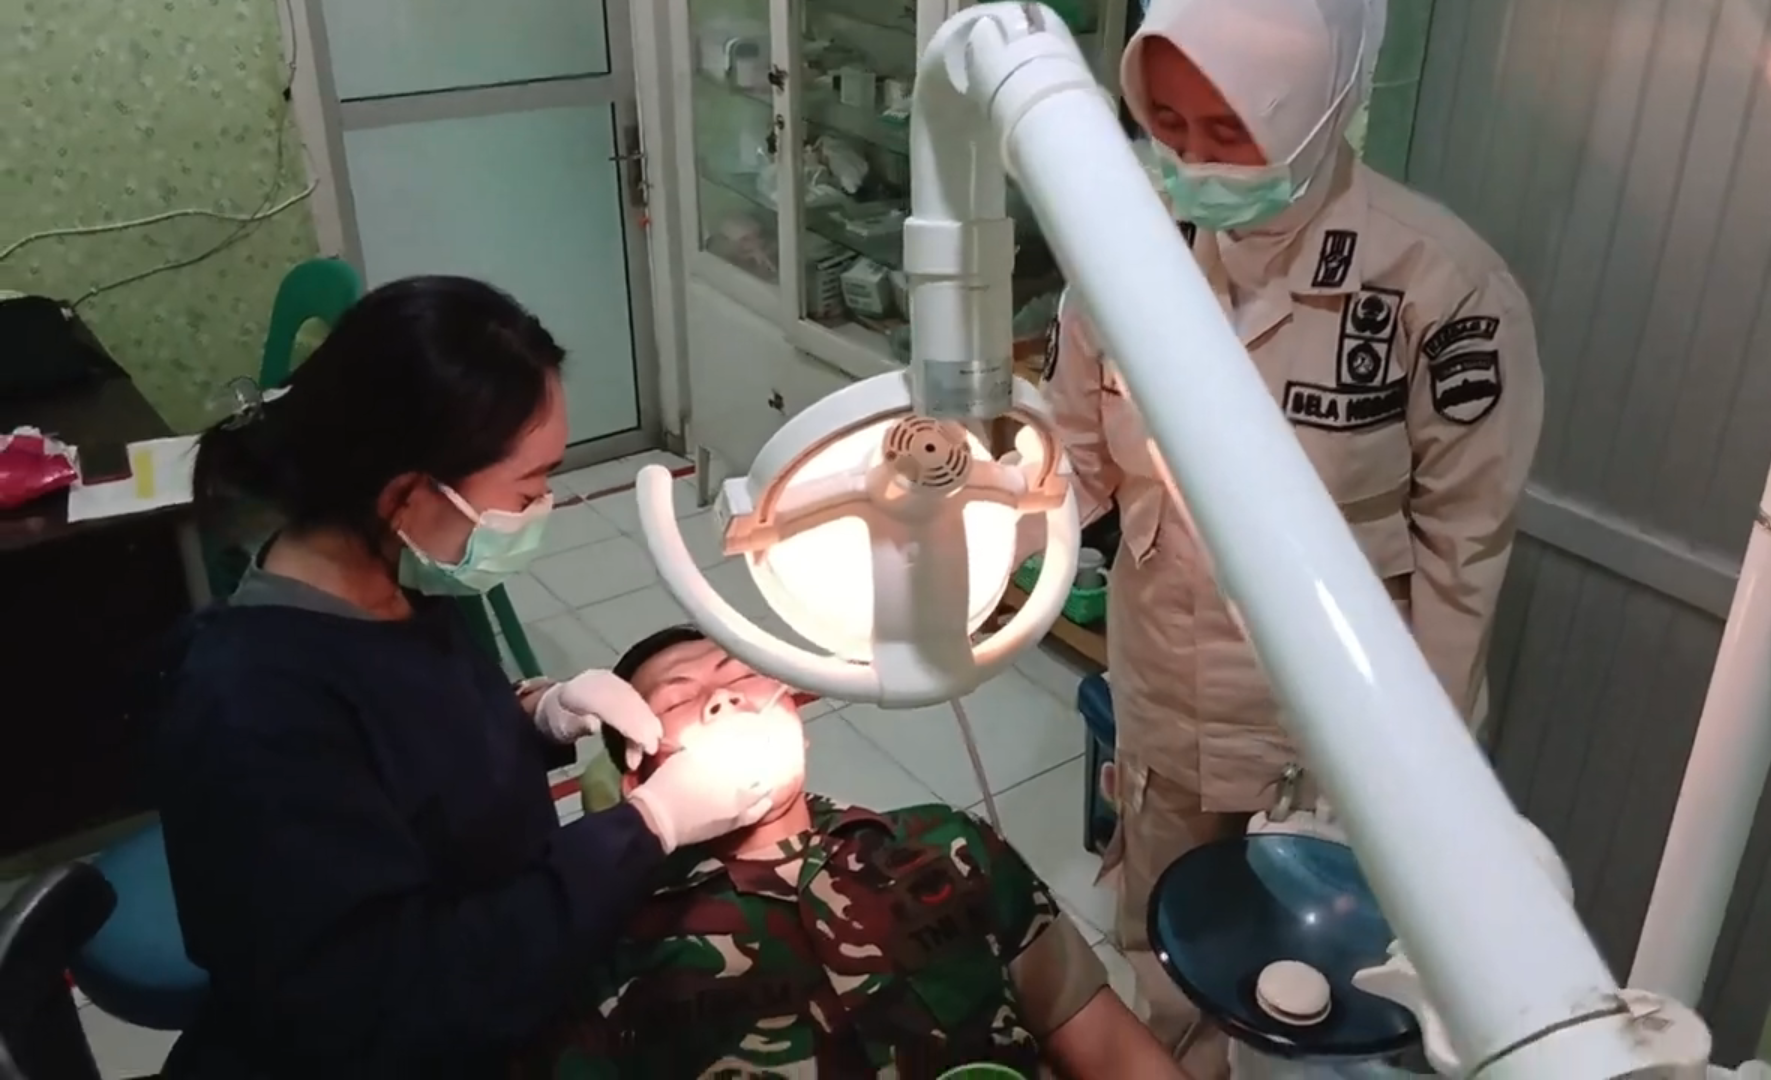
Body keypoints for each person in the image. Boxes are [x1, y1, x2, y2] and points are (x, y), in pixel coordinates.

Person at [1040, 0, 1545, 1073]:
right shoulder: (1125, 247)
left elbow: (1465, 549)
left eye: (1229, 131)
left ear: (1316, 111)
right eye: (1168, 125)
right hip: (1168, 691)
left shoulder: (1435, 282)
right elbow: (1071, 461)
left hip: (1340, 722)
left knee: (1326, 995)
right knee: (1166, 952)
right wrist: (981, 542)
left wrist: (1418, 766)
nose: (1192, 161)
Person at [150, 276, 800, 1078]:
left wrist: (536, 716)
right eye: (529, 486)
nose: (544, 502)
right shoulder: (252, 712)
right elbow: (394, 1004)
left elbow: (417, 758)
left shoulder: (397, 582)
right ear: (408, 495)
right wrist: (646, 827)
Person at [512, 626, 1186, 1079]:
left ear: (795, 718)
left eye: (740, 674)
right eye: (680, 700)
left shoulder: (949, 848)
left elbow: (1102, 1041)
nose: (723, 699)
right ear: (639, 780)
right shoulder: (615, 954)